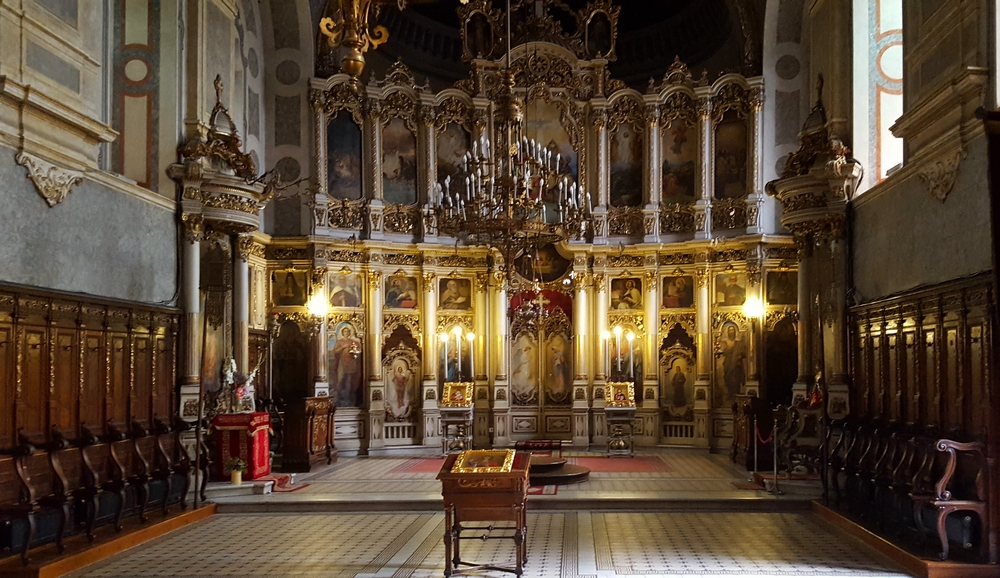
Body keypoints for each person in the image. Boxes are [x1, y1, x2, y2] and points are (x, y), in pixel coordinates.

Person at [331, 326, 361, 406]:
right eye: (345, 331)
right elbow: (335, 351)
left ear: (349, 333)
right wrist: (342, 347)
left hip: (351, 362)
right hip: (342, 362)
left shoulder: (353, 342)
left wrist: (354, 351)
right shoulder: (339, 342)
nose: (346, 333)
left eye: (348, 331)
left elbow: (358, 351)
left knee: (348, 380)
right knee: (340, 379)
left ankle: (347, 398)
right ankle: (338, 397)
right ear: (342, 333)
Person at [718, 324, 746, 401]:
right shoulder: (725, 342)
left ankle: (736, 395)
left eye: (733, 330)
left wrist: (740, 356)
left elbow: (744, 353)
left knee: (736, 379)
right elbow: (719, 348)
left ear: (735, 332)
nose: (731, 332)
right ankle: (730, 394)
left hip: (736, 364)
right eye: (730, 330)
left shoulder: (739, 343)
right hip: (727, 363)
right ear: (727, 332)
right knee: (728, 378)